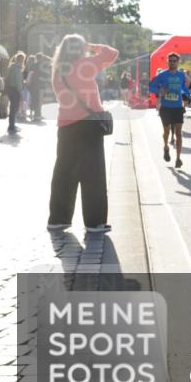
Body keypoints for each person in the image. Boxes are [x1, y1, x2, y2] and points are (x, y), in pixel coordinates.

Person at [47, 35, 118, 234]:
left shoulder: (57, 71)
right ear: (80, 49)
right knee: (93, 174)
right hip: (89, 124)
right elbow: (112, 54)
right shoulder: (84, 64)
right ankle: (94, 222)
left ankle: (58, 219)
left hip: (65, 126)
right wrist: (92, 46)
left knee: (64, 172)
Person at [148, 53, 190, 168]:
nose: (172, 62)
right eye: (170, 60)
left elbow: (183, 87)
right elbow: (151, 86)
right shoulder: (162, 75)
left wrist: (187, 94)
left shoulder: (181, 75)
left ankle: (178, 158)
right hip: (166, 108)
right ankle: (166, 146)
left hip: (177, 107)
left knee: (178, 134)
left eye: (174, 60)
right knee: (166, 131)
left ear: (178, 62)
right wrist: (160, 90)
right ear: (167, 62)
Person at [4, 53, 25, 134]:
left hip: (10, 89)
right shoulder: (17, 69)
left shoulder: (11, 67)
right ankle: (11, 126)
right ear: (22, 60)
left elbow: (7, 78)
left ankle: (12, 125)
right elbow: (18, 83)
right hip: (15, 90)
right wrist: (21, 93)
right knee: (14, 108)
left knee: (13, 107)